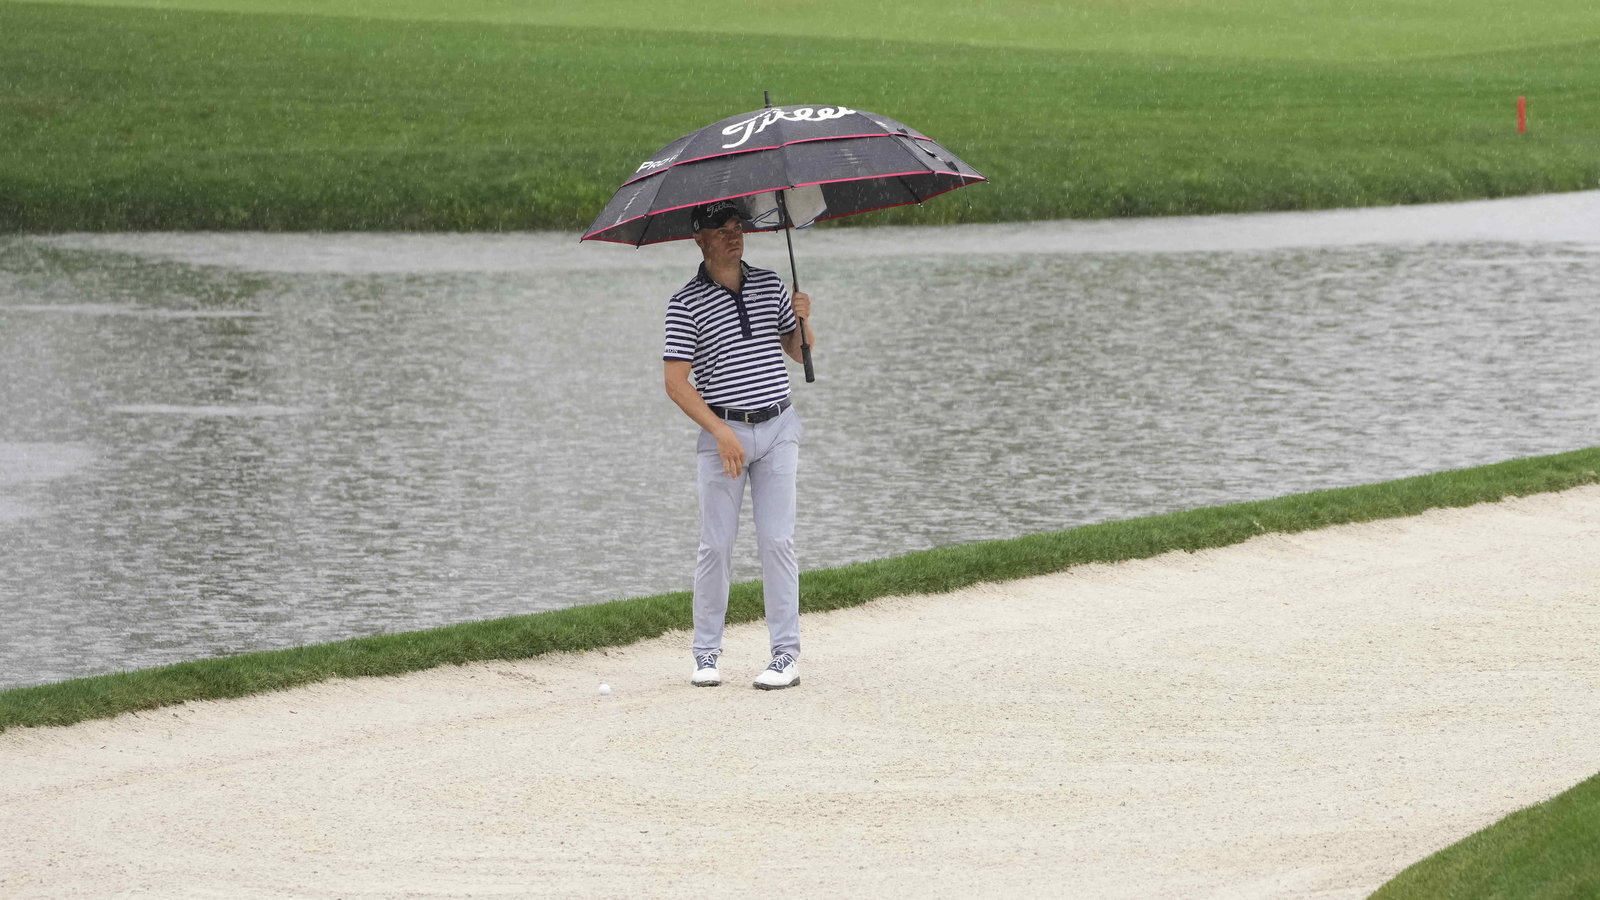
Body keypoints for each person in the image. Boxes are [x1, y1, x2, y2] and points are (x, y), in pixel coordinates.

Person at [663, 199, 814, 691]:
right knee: (716, 546)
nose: (733, 234)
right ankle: (706, 654)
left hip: (778, 429)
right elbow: (676, 383)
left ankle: (785, 656)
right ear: (699, 239)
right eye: (720, 229)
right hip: (722, 435)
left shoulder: (770, 283)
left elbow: (795, 351)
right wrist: (720, 431)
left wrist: (803, 319)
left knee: (777, 542)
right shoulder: (685, 303)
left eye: (737, 226)